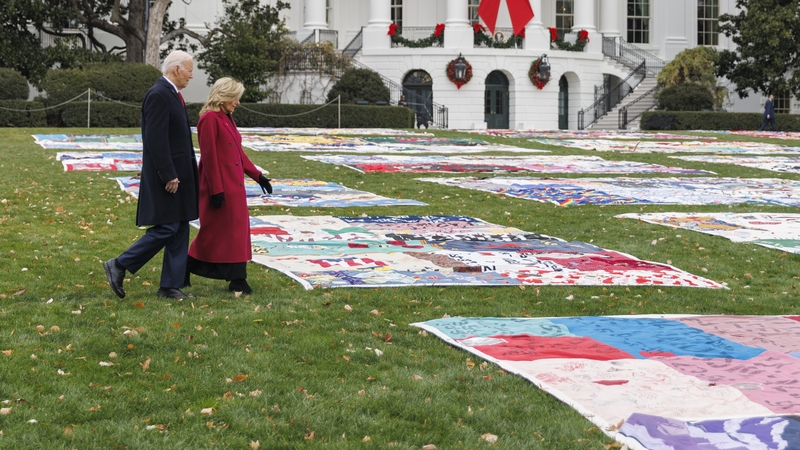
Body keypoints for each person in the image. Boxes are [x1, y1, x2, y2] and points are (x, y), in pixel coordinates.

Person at [103, 50, 199, 300]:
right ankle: (120, 264)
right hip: (166, 176)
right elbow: (155, 139)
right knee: (167, 227)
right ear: (176, 69)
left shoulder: (172, 94)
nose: (191, 75)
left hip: (179, 174)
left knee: (179, 226)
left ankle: (170, 285)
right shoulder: (159, 94)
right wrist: (168, 174)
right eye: (189, 70)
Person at [186, 77, 273, 294]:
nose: (237, 102)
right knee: (215, 232)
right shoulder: (209, 119)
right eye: (235, 98)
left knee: (235, 232)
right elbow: (209, 157)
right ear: (223, 96)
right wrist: (216, 189)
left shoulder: (227, 118)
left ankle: (235, 277)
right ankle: (231, 277)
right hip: (220, 186)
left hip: (234, 185)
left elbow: (237, 152)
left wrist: (257, 175)